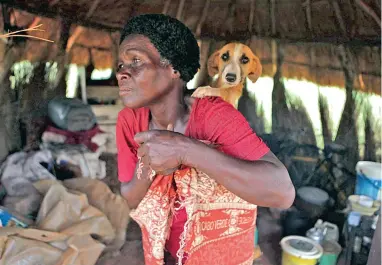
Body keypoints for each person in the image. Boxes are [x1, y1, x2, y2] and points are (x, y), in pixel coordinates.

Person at [116, 14, 295, 265]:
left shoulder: (214, 115)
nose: (122, 73)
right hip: (160, 249)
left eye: (135, 60)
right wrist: (147, 164)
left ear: (174, 68)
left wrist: (185, 150)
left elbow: (282, 193)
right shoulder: (129, 121)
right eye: (120, 64)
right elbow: (130, 197)